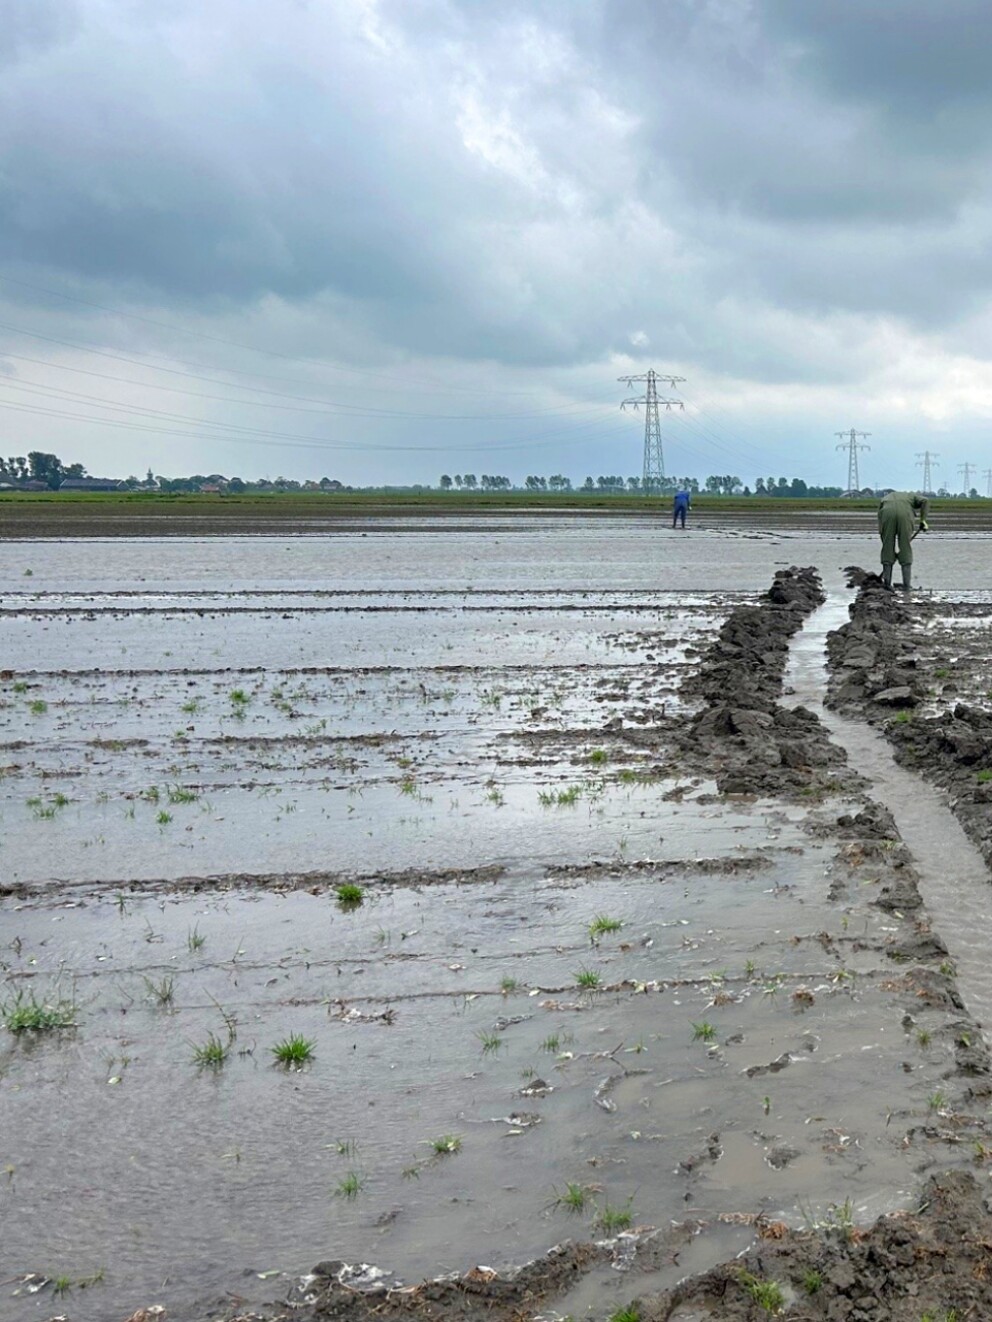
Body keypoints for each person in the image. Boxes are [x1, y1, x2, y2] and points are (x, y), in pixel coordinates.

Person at [878, 490, 929, 591]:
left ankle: (886, 584)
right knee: (905, 548)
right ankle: (906, 586)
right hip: (904, 514)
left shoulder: (885, 498)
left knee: (887, 547)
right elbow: (925, 500)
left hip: (886, 512)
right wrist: (923, 520)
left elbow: (880, 526)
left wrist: (889, 553)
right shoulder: (913, 497)